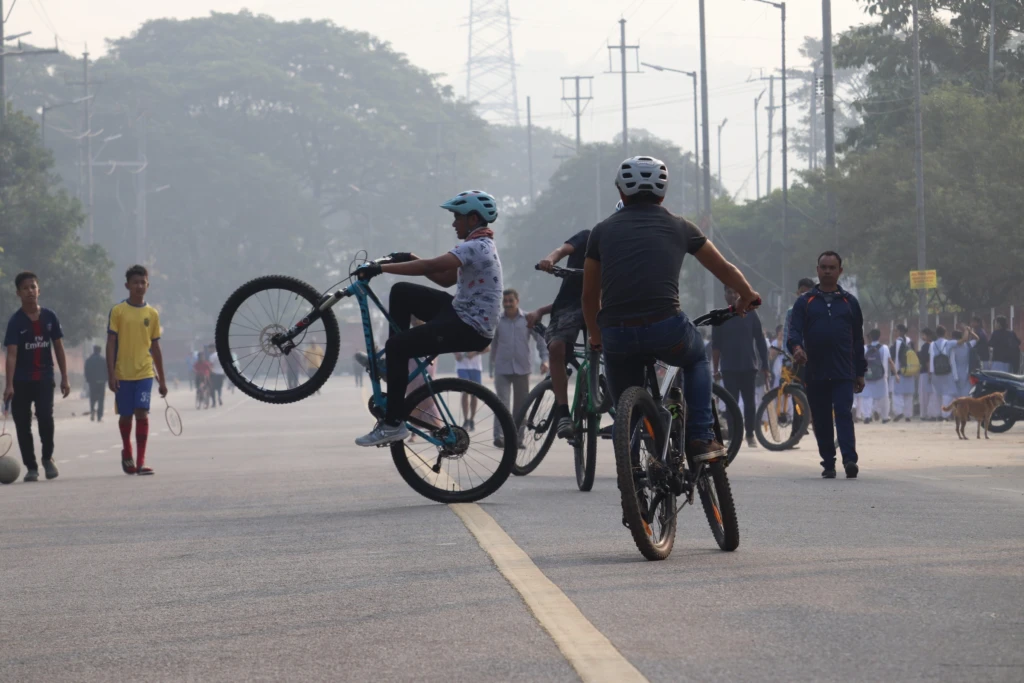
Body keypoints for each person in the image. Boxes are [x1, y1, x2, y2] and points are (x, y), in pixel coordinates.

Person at [582, 155, 760, 465]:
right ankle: (701, 435)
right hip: (666, 329)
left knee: (630, 408)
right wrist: (748, 294)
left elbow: (588, 296)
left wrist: (597, 337)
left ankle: (635, 476)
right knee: (696, 358)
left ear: (621, 193)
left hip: (616, 334)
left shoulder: (601, 231)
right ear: (663, 193)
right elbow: (724, 268)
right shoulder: (681, 227)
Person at [352, 190, 502, 447]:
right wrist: (411, 258)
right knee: (401, 292)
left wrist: (379, 268)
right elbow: (445, 279)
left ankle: (393, 423)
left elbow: (431, 267)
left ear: (473, 218)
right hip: (460, 312)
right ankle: (390, 366)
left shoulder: (476, 246)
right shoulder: (479, 244)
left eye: (457, 217)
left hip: (469, 327)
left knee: (397, 346)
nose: (453, 222)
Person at [788, 251, 866, 479]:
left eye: (832, 267)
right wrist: (797, 349)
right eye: (824, 267)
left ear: (840, 271)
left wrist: (860, 372)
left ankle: (850, 460)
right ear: (817, 270)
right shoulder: (805, 302)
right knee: (821, 418)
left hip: (844, 370)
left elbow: (857, 339)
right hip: (815, 370)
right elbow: (794, 332)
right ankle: (828, 463)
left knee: (843, 413)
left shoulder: (850, 303)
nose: (828, 271)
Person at [3, 272, 71, 482]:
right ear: (18, 293)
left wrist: (65, 377)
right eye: (25, 288)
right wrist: (9, 385)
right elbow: (11, 355)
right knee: (23, 424)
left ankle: (47, 458)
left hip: (44, 377)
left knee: (45, 417)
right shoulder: (15, 322)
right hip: (21, 381)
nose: (30, 291)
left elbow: (58, 348)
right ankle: (31, 467)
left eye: (33, 287)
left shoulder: (50, 317)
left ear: (39, 290)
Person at [529, 224, 592, 439]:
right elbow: (562, 250)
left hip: (604, 305)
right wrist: (551, 260)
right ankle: (564, 412)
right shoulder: (588, 236)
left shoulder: (624, 246)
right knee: (556, 348)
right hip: (570, 306)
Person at [107, 265, 169, 475]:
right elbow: (110, 343)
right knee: (126, 416)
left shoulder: (152, 313)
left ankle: (141, 461)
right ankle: (127, 452)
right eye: (135, 282)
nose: (139, 286)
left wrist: (162, 380)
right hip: (123, 373)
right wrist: (111, 373)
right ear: (127, 285)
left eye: (143, 282)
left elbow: (156, 346)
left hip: (145, 372)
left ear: (148, 285)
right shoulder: (118, 311)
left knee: (141, 413)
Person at [712, 285, 770, 447]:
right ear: (724, 295)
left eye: (735, 292)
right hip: (728, 368)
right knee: (732, 403)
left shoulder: (751, 314)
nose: (732, 295)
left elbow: (760, 340)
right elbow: (715, 346)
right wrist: (715, 370)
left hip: (748, 366)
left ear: (740, 294)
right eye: (729, 292)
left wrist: (765, 365)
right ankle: (733, 436)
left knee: (750, 403)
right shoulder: (720, 317)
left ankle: (750, 434)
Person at [489, 289, 548, 447]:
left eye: (510, 301)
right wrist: (491, 365)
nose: (507, 304)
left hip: (522, 369)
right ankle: (499, 437)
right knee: (502, 403)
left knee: (521, 405)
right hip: (502, 369)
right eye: (505, 301)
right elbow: (493, 344)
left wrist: (545, 360)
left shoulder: (528, 319)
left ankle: (517, 439)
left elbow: (541, 340)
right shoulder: (498, 320)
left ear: (517, 301)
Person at [860, 329, 896, 424]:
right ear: (879, 336)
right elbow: (890, 361)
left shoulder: (865, 348)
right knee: (883, 397)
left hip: (868, 375)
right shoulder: (884, 348)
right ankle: (884, 417)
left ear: (870, 337)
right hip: (882, 376)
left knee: (867, 396)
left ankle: (867, 416)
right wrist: (895, 374)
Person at [928, 325, 958, 421]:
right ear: (945, 333)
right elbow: (952, 360)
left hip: (935, 373)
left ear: (936, 334)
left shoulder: (932, 344)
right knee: (947, 394)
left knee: (936, 394)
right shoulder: (948, 343)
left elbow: (931, 359)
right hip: (947, 372)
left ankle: (937, 414)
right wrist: (955, 375)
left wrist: (930, 373)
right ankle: (945, 414)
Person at [890, 324, 916, 422]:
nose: (894, 333)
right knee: (908, 394)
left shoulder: (896, 343)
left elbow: (891, 357)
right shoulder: (910, 342)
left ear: (900, 332)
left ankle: (899, 412)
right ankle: (908, 415)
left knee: (897, 394)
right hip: (910, 371)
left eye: (896, 331)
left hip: (899, 371)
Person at [454, 350, 483, 430]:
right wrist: (455, 353)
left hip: (476, 367)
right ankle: (465, 419)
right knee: (465, 392)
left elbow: (487, 348)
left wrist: (475, 352)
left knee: (475, 394)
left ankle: (472, 419)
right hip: (462, 367)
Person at [951, 324, 978, 397]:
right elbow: (977, 339)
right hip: (967, 371)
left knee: (957, 394)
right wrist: (970, 331)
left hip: (956, 372)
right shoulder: (968, 345)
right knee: (966, 392)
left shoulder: (953, 346)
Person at [917, 328, 938, 421]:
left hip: (926, 373)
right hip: (934, 373)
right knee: (933, 394)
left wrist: (929, 372)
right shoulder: (935, 345)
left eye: (923, 335)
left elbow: (927, 360)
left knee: (924, 395)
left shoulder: (925, 346)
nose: (922, 337)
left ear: (928, 336)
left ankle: (924, 414)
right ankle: (932, 414)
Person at [84, 344, 108, 422]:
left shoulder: (89, 360)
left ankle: (92, 411)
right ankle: (99, 416)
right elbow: (107, 371)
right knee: (101, 400)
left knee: (92, 398)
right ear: (100, 351)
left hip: (92, 382)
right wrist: (106, 379)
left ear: (94, 350)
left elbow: (86, 371)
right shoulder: (103, 360)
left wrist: (88, 379)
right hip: (101, 382)